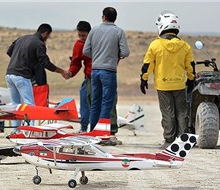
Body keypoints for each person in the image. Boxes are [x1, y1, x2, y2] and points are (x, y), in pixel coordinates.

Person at [140, 11, 195, 147]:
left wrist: (144, 79)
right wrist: (191, 78)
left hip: (163, 85)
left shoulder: (155, 45)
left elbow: (147, 65)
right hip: (179, 85)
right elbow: (191, 65)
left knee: (168, 113)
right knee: (182, 113)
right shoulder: (185, 46)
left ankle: (169, 141)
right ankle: (183, 141)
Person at [6, 23, 69, 130]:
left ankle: (14, 132)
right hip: (22, 76)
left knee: (15, 105)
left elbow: (9, 51)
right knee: (30, 105)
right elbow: (46, 63)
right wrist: (62, 71)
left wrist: (20, 59)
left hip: (9, 74)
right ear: (45, 33)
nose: (47, 39)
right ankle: (30, 131)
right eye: (48, 37)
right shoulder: (39, 43)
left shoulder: (21, 38)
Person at [83, 7, 130, 136]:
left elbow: (85, 51)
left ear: (103, 17)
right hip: (109, 71)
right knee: (107, 103)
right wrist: (114, 55)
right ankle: (103, 134)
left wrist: (97, 55)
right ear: (115, 18)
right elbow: (125, 52)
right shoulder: (119, 31)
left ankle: (93, 131)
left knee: (95, 102)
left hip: (95, 70)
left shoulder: (94, 31)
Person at [67, 20, 92, 133]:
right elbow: (76, 62)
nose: (82, 38)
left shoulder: (97, 42)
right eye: (80, 35)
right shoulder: (79, 45)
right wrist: (71, 73)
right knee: (84, 104)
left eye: (84, 35)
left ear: (89, 33)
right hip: (89, 78)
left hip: (100, 77)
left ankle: (100, 130)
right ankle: (83, 129)